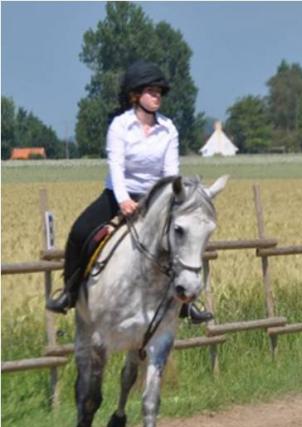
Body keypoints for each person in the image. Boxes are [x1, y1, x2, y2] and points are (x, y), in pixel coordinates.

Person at [46, 59, 213, 322]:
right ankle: (69, 292)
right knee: (79, 232)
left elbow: (171, 172)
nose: (157, 96)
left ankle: (186, 304)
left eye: (159, 92)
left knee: (181, 239)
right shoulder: (120, 126)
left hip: (157, 199)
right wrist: (123, 199)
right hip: (118, 196)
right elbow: (116, 165)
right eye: (151, 91)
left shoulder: (168, 128)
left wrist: (169, 201)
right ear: (135, 95)